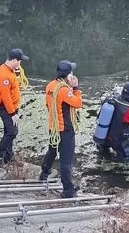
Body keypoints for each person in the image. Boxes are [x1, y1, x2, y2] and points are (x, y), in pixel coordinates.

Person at [40, 60, 82, 198]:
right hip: (64, 129)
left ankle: (44, 172)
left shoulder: (51, 85)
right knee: (66, 160)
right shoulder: (64, 91)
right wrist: (75, 88)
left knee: (52, 149)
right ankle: (68, 190)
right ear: (68, 75)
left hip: (53, 126)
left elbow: (48, 105)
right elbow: (77, 103)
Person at [0, 48, 29, 166]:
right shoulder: (4, 75)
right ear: (14, 60)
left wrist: (18, 73)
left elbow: (15, 85)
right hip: (6, 108)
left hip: (12, 107)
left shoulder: (9, 70)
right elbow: (5, 96)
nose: (20, 63)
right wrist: (13, 114)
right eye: (19, 61)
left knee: (9, 131)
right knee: (12, 132)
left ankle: (8, 157)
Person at [105, 82, 129, 161]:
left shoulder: (115, 99)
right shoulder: (128, 110)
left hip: (107, 135)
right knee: (128, 157)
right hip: (119, 140)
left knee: (106, 154)